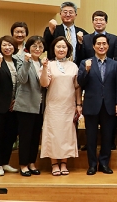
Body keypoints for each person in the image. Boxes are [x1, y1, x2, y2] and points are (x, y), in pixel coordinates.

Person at [78, 34, 117, 175]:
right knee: (91, 138)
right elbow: (80, 83)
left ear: (108, 46)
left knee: (107, 136)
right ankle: (91, 165)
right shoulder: (85, 63)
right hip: (91, 105)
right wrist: (86, 71)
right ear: (93, 46)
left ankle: (104, 163)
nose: (101, 46)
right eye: (98, 44)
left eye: (104, 44)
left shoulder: (114, 64)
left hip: (109, 105)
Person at [40, 36, 81, 176]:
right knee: (53, 134)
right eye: (58, 47)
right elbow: (44, 84)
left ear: (68, 49)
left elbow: (77, 88)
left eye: (64, 47)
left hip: (69, 106)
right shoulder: (48, 64)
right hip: (53, 106)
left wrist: (79, 104)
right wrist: (45, 68)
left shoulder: (73, 66)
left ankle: (64, 163)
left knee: (66, 135)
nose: (61, 49)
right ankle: (54, 164)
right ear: (53, 49)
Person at [0, 35, 21, 176]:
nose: (7, 48)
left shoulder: (16, 61)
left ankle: (5, 162)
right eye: (4, 45)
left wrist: (16, 100)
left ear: (14, 47)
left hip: (14, 106)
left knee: (10, 136)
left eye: (10, 45)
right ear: (0, 47)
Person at [14, 36, 46, 176]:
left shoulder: (42, 62)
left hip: (39, 105)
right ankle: (23, 164)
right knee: (25, 137)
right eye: (34, 46)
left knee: (35, 137)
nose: (37, 49)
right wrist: (27, 62)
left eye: (40, 47)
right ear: (28, 47)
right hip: (26, 105)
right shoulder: (22, 59)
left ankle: (32, 162)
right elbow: (21, 79)